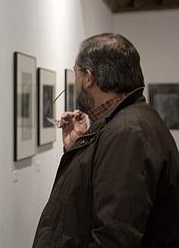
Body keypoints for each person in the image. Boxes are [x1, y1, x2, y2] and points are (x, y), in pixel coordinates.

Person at [32, 33, 179, 247]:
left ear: (89, 78)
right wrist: (79, 145)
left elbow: (115, 236)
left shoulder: (128, 132)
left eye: (76, 74)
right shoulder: (128, 122)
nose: (75, 82)